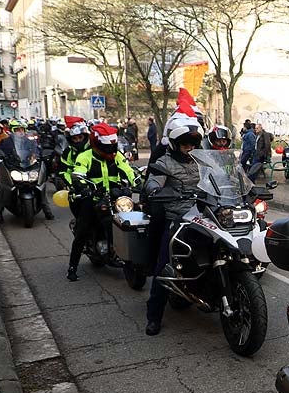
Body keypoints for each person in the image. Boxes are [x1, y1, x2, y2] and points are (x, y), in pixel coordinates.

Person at [144, 115, 204, 335]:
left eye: (192, 144)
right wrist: (154, 189)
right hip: (177, 217)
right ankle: (153, 316)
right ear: (175, 144)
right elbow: (153, 180)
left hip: (204, 213)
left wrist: (241, 182)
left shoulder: (202, 161)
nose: (189, 148)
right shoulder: (164, 163)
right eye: (184, 144)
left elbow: (223, 176)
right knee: (164, 264)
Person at [66, 124, 137, 281]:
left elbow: (128, 170)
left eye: (113, 147)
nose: (111, 151)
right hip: (92, 199)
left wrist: (137, 182)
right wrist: (84, 188)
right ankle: (72, 267)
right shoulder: (85, 157)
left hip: (114, 197)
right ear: (96, 144)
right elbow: (77, 174)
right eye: (107, 148)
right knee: (82, 231)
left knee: (136, 217)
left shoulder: (117, 155)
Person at [0, 120, 51, 223]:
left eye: (21, 129)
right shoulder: (6, 141)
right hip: (13, 166)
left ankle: (47, 209)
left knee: (40, 186)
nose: (19, 132)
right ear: (12, 130)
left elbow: (38, 151)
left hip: (28, 166)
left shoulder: (30, 141)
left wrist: (39, 155)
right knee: (5, 188)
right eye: (17, 130)